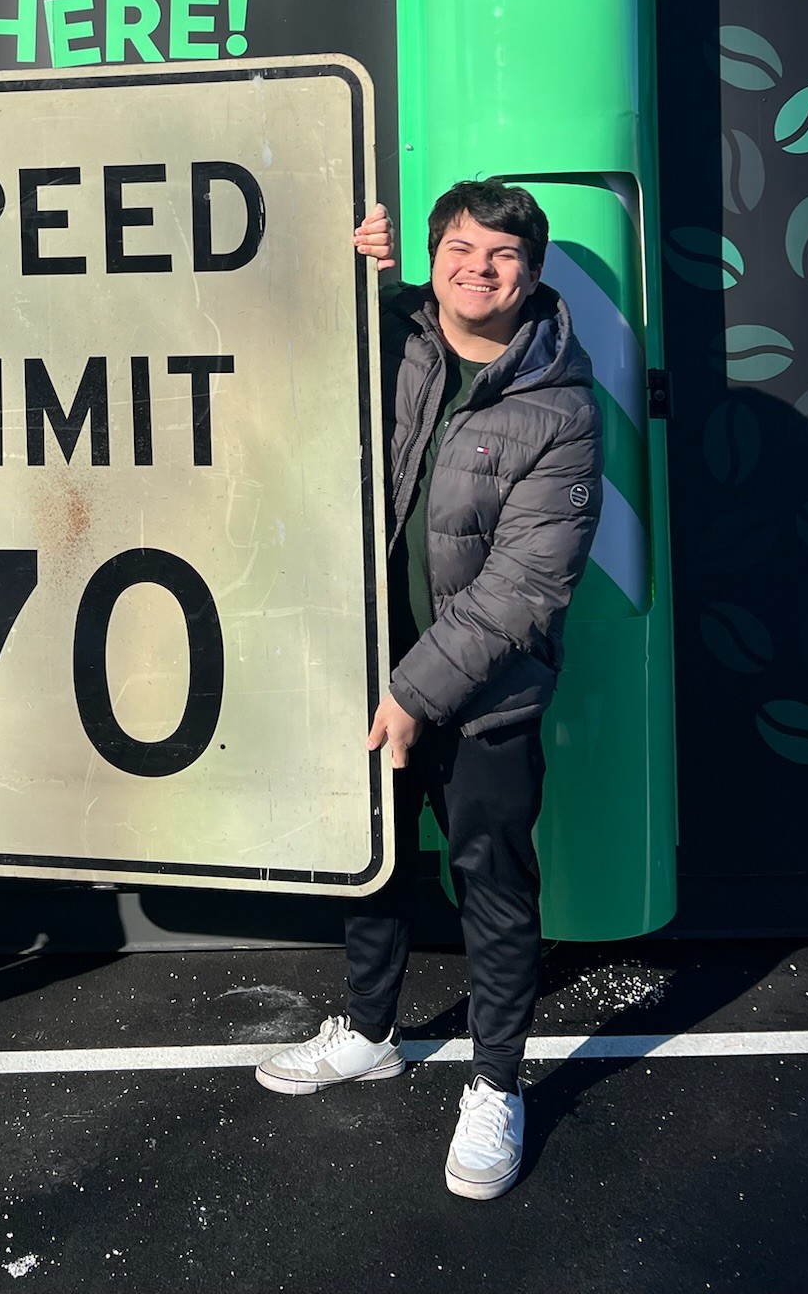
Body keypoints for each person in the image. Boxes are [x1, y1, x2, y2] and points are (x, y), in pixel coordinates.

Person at [257, 180, 603, 1201]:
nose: (477, 269)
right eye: (460, 248)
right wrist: (342, 264)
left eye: (501, 256)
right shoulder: (398, 329)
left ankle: (495, 1082)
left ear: (533, 274)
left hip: (482, 691)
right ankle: (369, 1029)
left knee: (491, 877)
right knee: (368, 863)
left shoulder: (562, 404)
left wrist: (413, 692)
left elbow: (525, 588)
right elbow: (290, 342)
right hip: (366, 668)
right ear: (435, 252)